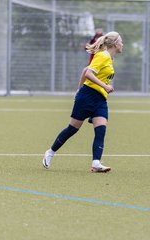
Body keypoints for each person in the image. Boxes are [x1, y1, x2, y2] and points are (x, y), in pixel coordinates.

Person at [42, 31, 123, 172]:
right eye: (121, 42)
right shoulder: (102, 55)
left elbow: (86, 69)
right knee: (72, 129)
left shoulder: (109, 58)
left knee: (101, 130)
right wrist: (82, 90)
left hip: (100, 100)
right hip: (87, 96)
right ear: (116, 44)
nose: (122, 44)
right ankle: (50, 152)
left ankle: (96, 163)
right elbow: (88, 73)